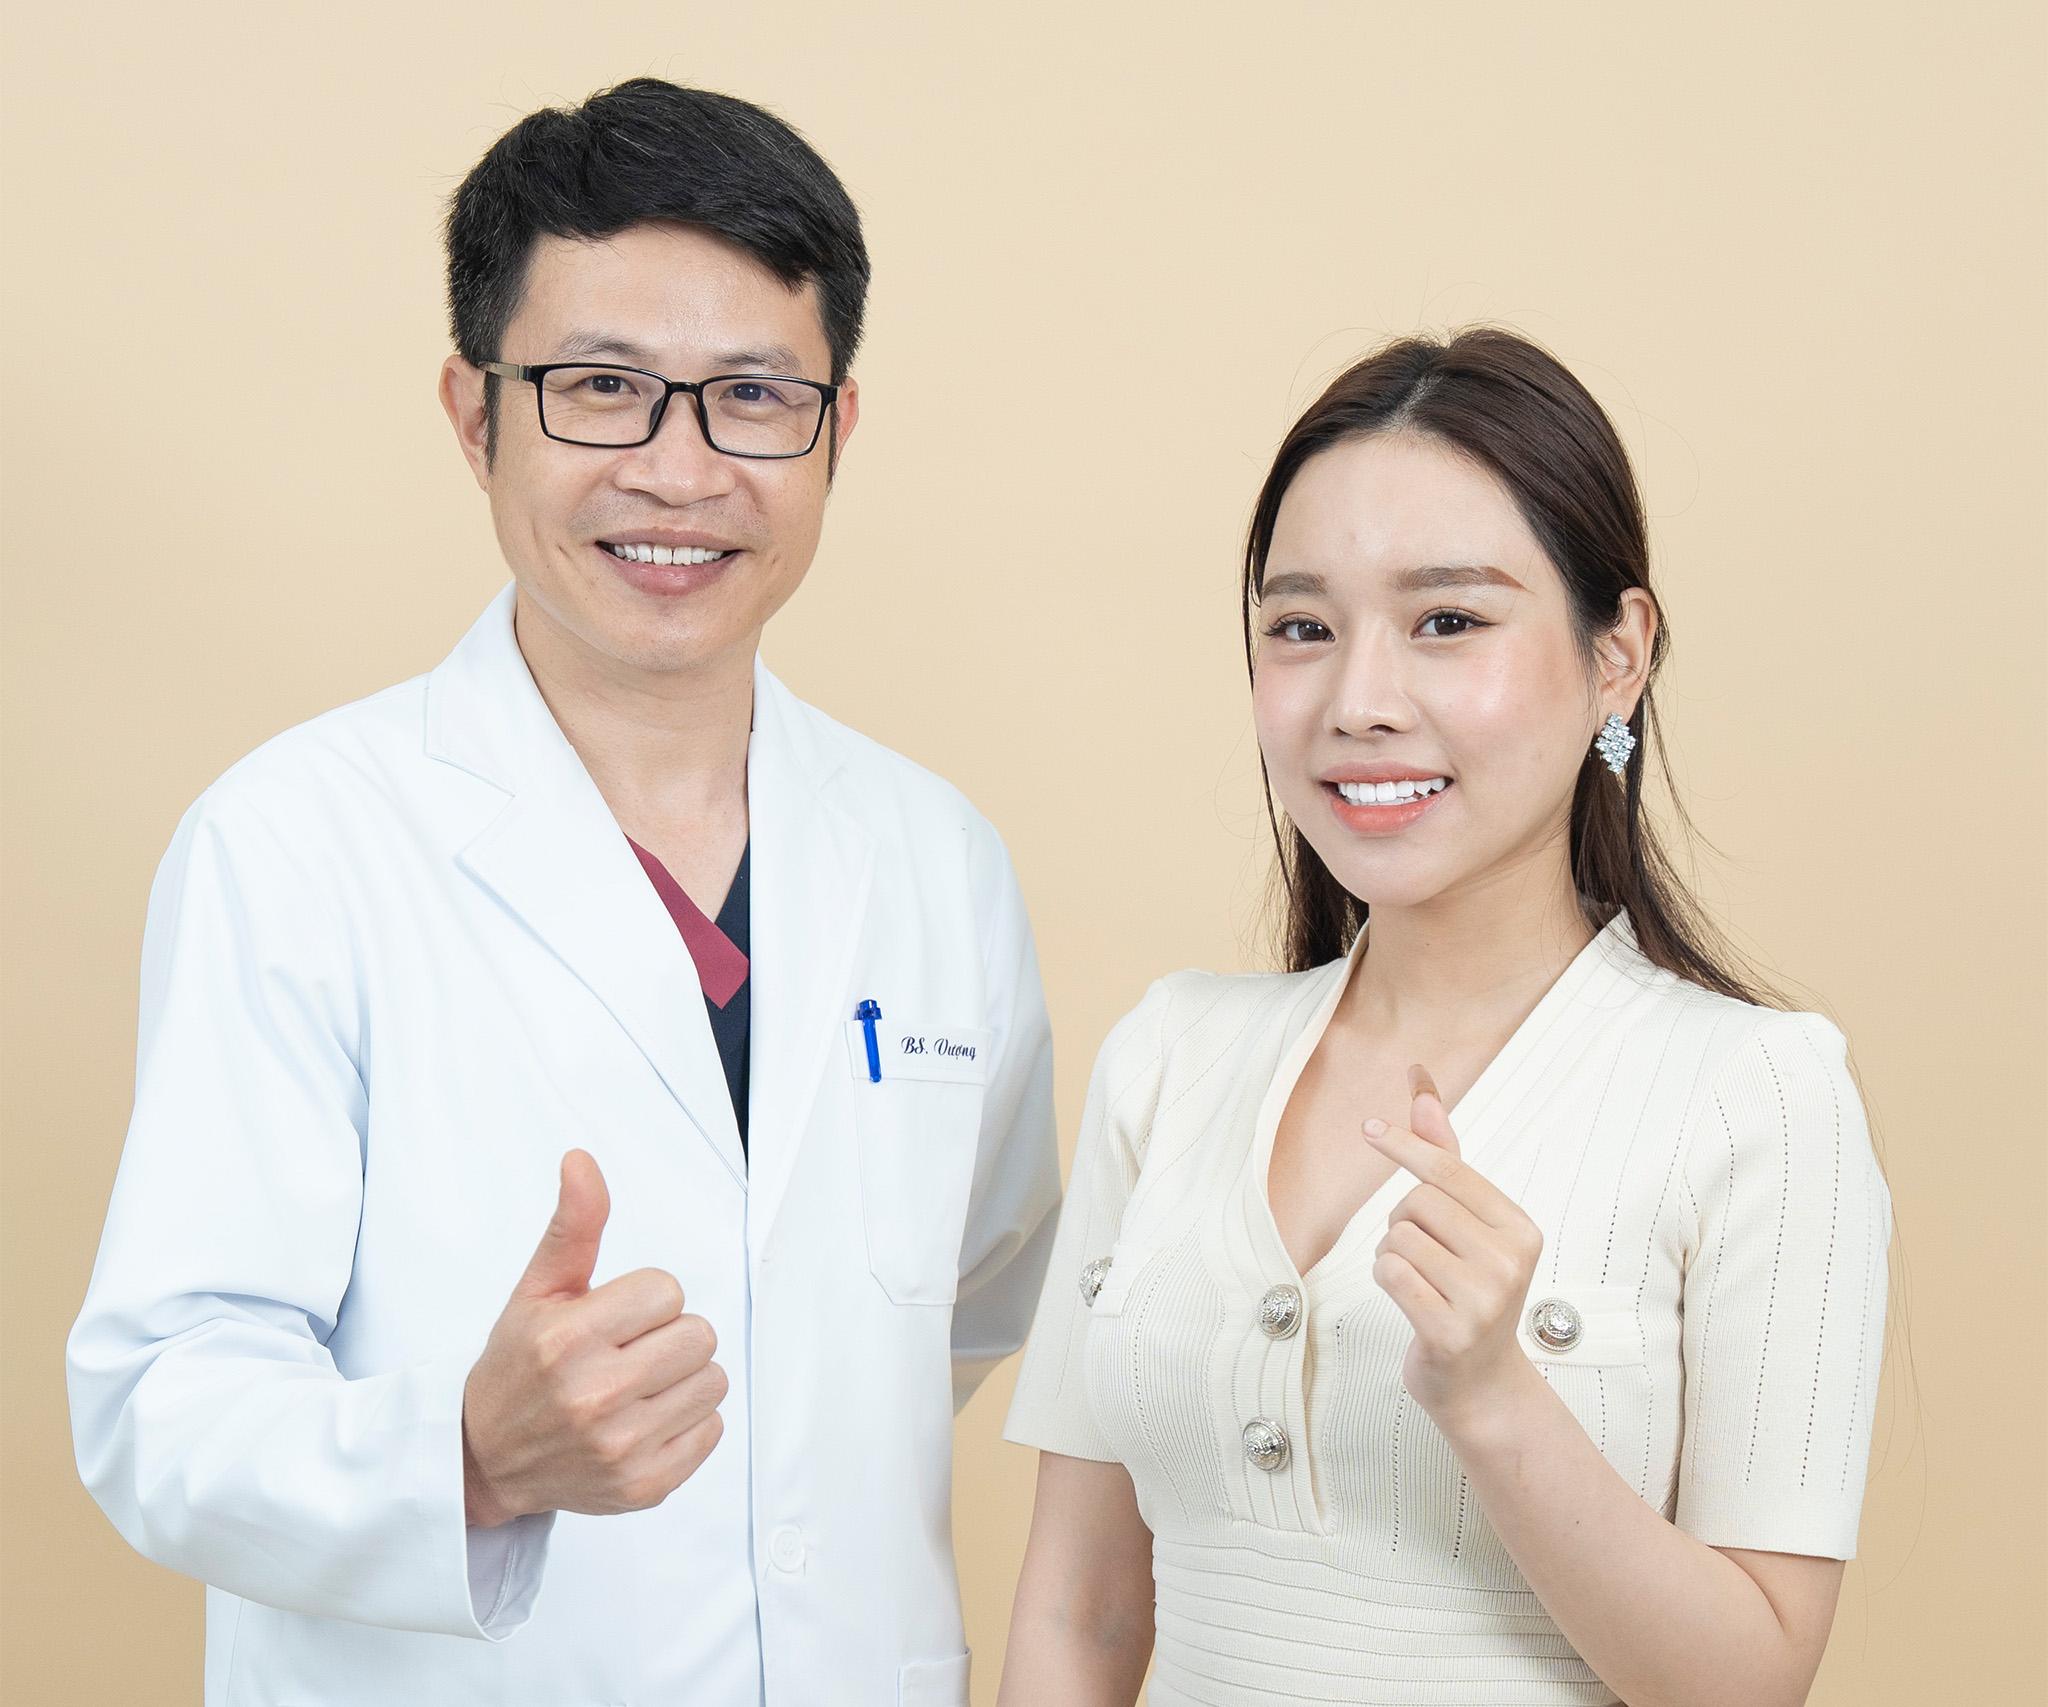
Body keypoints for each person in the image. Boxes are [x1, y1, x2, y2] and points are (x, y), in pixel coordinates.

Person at [67, 78, 1058, 1707]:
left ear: (836, 430)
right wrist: (465, 1454)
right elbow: (158, 1404)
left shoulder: (937, 857)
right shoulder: (297, 842)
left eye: (754, 397)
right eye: (602, 389)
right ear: (475, 416)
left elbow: (966, 1299)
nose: (679, 471)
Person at [998, 328, 1892, 1705]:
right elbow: (1081, 1614)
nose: (1360, 703)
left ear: (1619, 656)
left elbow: (1750, 1683)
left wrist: (1493, 1397)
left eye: (1449, 622)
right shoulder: (1170, 1060)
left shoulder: (1757, 1094)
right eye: (1303, 629)